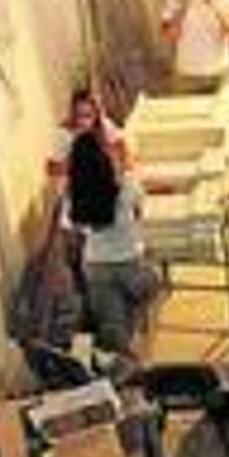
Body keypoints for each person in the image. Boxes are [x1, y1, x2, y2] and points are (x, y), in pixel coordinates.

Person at [65, 130, 158, 357]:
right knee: (154, 283)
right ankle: (130, 334)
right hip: (131, 267)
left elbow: (75, 230)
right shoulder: (127, 185)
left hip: (95, 268)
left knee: (113, 329)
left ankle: (121, 351)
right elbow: (139, 213)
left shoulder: (74, 196)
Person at [46, 86, 126, 189]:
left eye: (88, 116)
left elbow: (121, 145)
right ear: (73, 114)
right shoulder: (64, 134)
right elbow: (51, 168)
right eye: (78, 115)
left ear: (95, 115)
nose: (82, 122)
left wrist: (121, 168)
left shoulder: (104, 126)